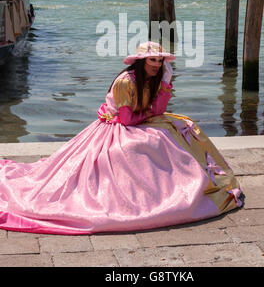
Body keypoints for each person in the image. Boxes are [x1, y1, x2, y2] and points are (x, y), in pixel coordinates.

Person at [0, 42, 244, 235]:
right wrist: (150, 113)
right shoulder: (125, 82)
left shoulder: (153, 79)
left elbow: (157, 110)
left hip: (137, 121)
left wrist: (166, 84)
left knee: (182, 126)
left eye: (160, 61)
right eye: (153, 60)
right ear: (141, 61)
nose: (157, 65)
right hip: (116, 128)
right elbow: (126, 120)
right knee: (149, 142)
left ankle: (190, 183)